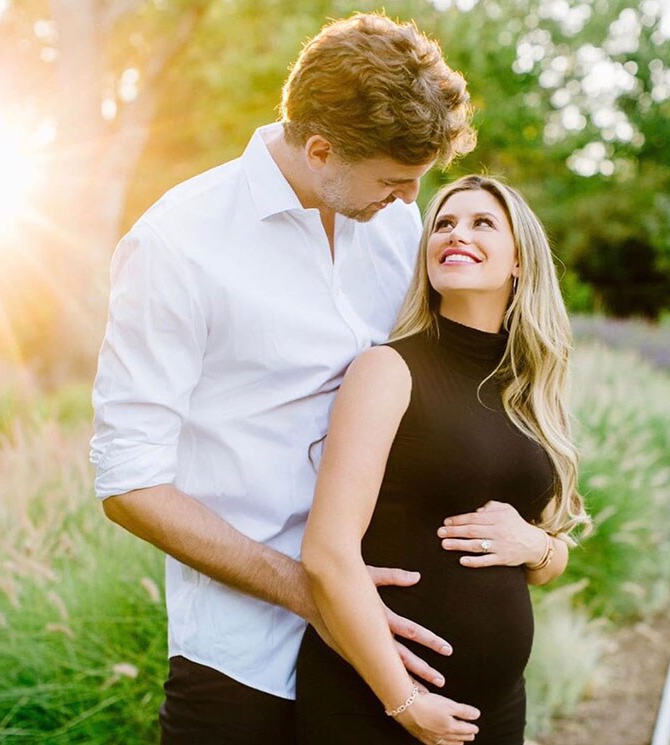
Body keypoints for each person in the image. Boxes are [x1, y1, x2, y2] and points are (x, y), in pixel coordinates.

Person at [90, 11, 476, 744]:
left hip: (387, 644)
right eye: (394, 182)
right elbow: (128, 482)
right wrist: (314, 593)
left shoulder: (393, 222)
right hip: (240, 657)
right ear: (321, 149)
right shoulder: (177, 243)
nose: (407, 203)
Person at [297, 175, 591, 745]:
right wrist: (404, 703)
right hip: (374, 703)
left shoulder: (529, 390)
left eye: (483, 223)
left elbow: (551, 554)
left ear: (520, 263)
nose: (457, 233)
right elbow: (326, 553)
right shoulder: (388, 370)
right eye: (444, 223)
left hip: (497, 709)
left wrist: (538, 546)